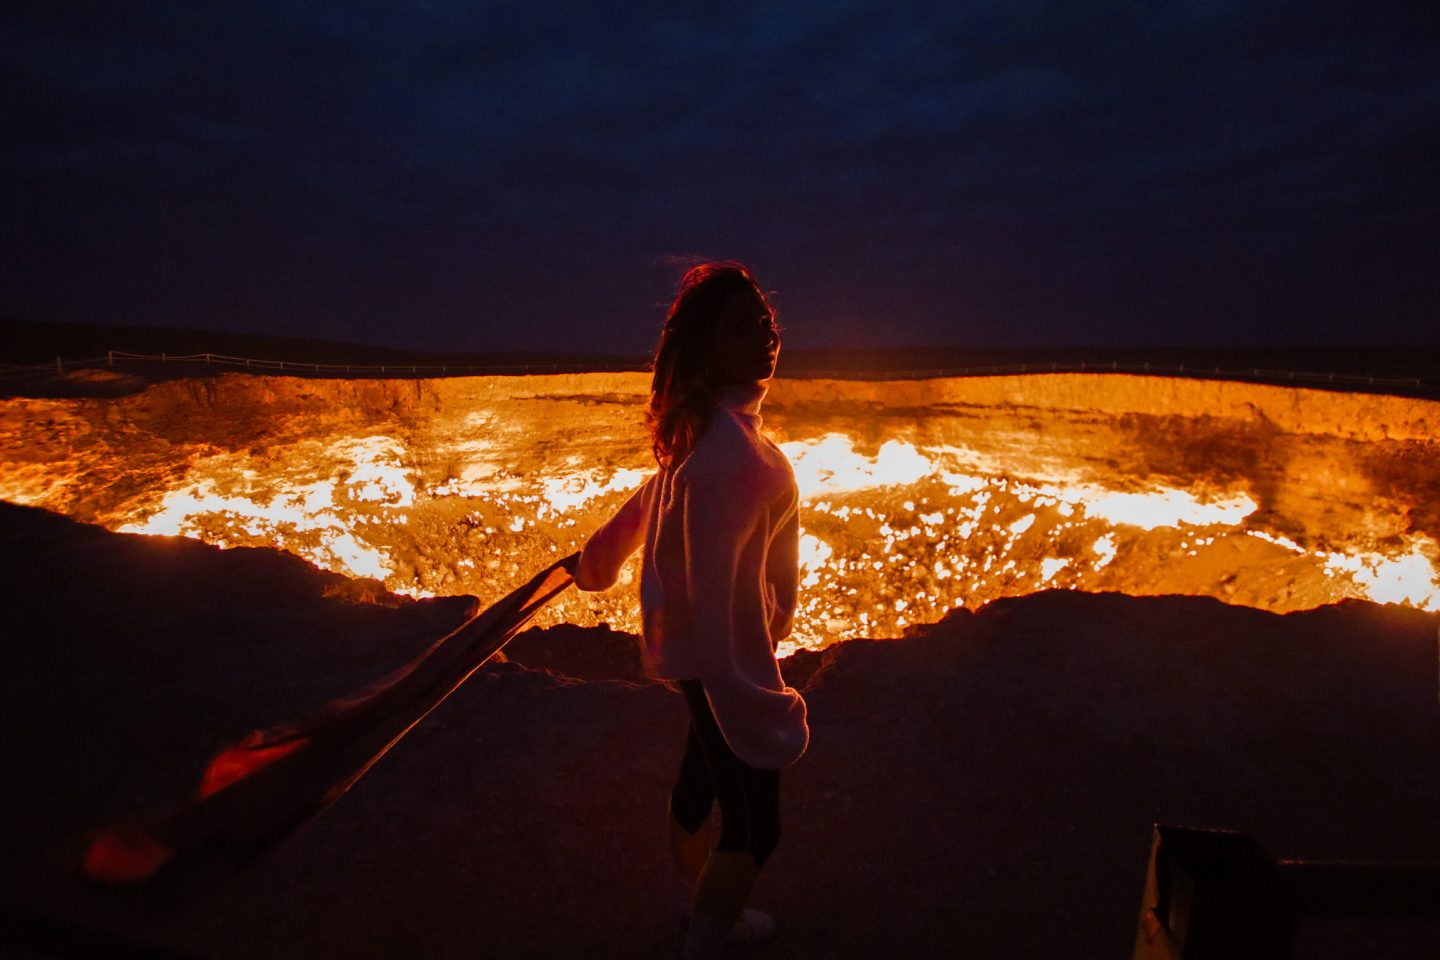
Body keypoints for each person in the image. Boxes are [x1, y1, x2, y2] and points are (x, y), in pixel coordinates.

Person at [570, 262, 808, 958]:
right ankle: (709, 934)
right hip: (720, 657)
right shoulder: (729, 456)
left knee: (701, 780)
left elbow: (655, 493)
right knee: (756, 826)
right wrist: (758, 695)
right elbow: (713, 602)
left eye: (766, 323)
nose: (766, 338)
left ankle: (709, 904)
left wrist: (599, 559)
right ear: (706, 348)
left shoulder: (711, 432)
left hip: (696, 654)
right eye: (743, 328)